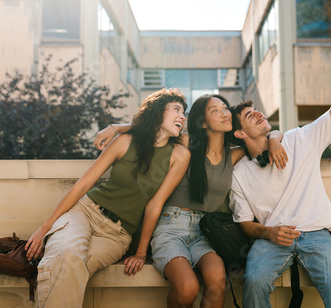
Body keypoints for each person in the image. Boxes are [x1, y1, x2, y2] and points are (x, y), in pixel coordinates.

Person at [94, 94, 287, 308]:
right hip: (170, 228)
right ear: (203, 123)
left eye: (225, 108)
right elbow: (154, 128)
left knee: (217, 281)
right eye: (215, 110)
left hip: (204, 232)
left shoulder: (235, 154)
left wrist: (274, 139)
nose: (224, 112)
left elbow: (267, 135)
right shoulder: (189, 143)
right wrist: (115, 128)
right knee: (188, 289)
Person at [229, 38, 331, 308]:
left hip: (316, 232)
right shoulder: (239, 173)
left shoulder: (298, 139)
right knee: (254, 284)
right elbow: (245, 224)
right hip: (271, 238)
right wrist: (269, 233)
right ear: (239, 133)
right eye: (249, 116)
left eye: (256, 110)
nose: (258, 114)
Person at [25, 88, 191, 308]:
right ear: (158, 111)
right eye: (176, 109)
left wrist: (141, 253)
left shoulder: (180, 155)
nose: (182, 116)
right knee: (68, 255)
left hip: (118, 235)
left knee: (73, 265)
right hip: (86, 212)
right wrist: (44, 228)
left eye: (184, 112)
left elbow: (155, 204)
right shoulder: (124, 142)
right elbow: (84, 184)